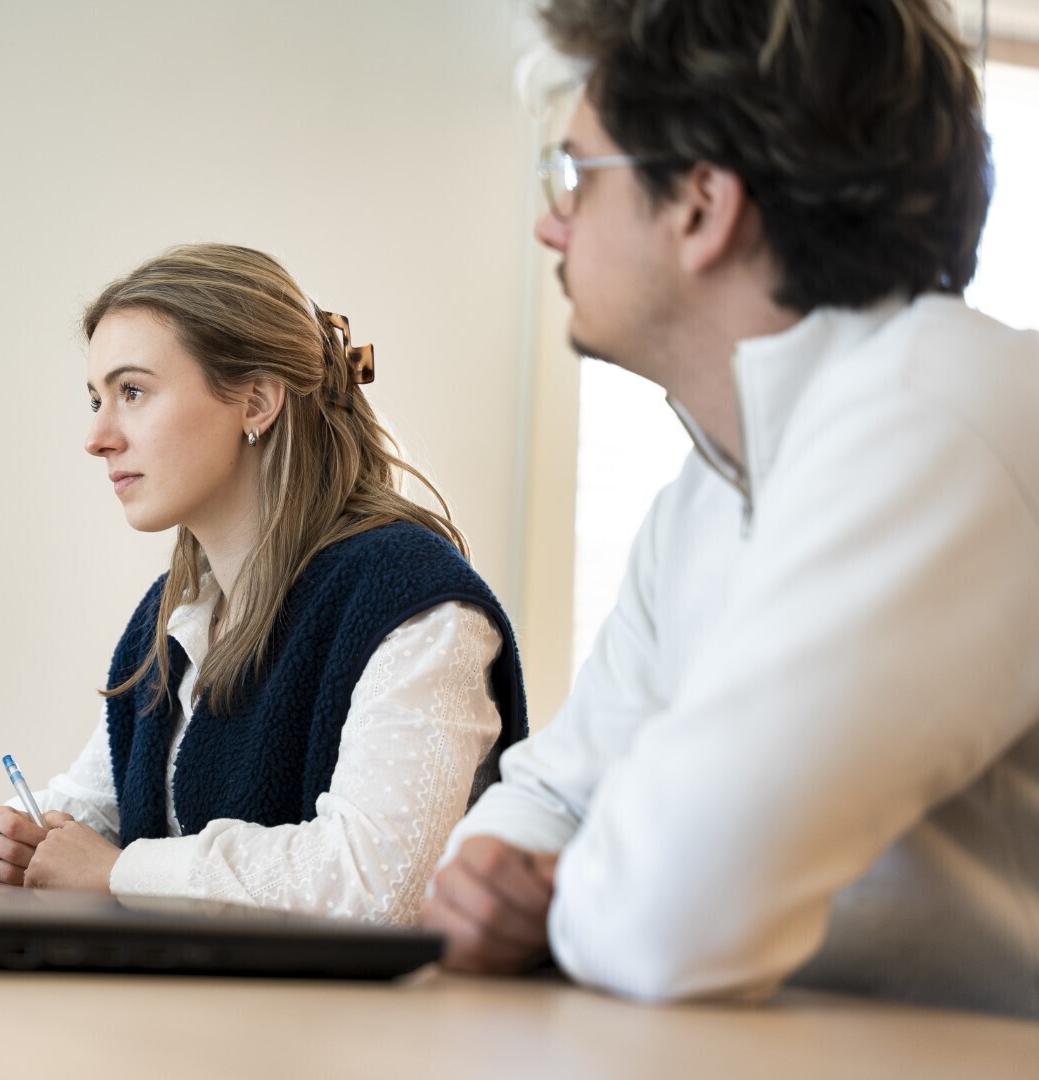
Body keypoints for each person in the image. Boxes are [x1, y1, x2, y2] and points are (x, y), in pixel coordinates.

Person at [422, 0, 1039, 1018]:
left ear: (702, 205)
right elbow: (547, 801)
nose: (550, 221)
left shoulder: (945, 409)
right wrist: (506, 872)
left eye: (577, 177)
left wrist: (557, 896)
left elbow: (668, 918)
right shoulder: (703, 494)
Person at [0, 243, 526, 924]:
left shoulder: (412, 601)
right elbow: (87, 812)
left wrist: (119, 872)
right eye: (96, 399)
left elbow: (377, 882)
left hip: (363, 1030)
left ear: (256, 401)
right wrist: (29, 842)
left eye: (133, 392)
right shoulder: (171, 617)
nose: (98, 436)